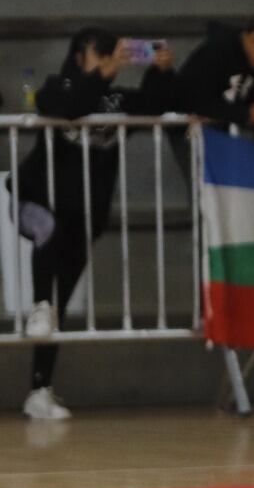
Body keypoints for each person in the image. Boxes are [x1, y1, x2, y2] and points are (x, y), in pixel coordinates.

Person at [13, 29, 183, 420]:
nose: (108, 58)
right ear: (78, 56)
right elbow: (65, 105)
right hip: (37, 197)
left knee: (60, 303)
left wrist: (161, 72)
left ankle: (40, 389)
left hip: (85, 213)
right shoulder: (58, 86)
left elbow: (160, 104)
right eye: (99, 52)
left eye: (114, 52)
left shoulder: (117, 98)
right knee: (47, 233)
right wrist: (101, 75)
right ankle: (38, 305)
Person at [177, 12, 254, 127]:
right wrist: (246, 113)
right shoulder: (218, 51)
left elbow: (239, 97)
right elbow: (197, 101)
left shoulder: (251, 63)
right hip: (189, 131)